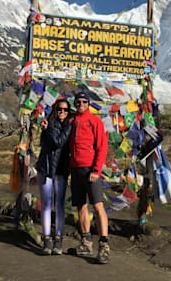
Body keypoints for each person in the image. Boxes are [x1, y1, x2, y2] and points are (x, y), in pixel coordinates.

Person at [69, 91, 110, 264]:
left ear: (88, 103)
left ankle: (104, 244)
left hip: (90, 170)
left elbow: (102, 146)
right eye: (78, 101)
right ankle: (86, 242)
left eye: (84, 101)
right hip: (75, 168)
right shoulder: (71, 120)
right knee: (81, 206)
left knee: (98, 206)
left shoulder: (95, 121)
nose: (81, 104)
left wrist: (96, 170)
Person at [35, 98, 72, 255]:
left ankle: (58, 238)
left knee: (59, 205)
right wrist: (48, 128)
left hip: (61, 169)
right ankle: (47, 239)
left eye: (65, 110)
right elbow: (57, 142)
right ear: (55, 110)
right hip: (47, 167)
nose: (62, 112)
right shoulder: (52, 125)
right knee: (46, 204)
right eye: (59, 109)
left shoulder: (68, 126)